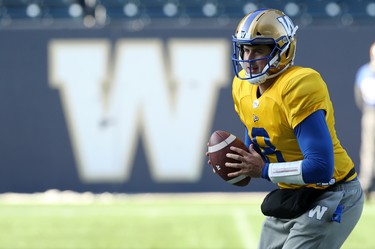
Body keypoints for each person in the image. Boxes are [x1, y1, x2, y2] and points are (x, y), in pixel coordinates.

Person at [207, 8, 364, 248]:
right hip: (293, 194)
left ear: (283, 50)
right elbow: (257, 151)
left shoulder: (299, 85)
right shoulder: (242, 87)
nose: (248, 58)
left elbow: (321, 168)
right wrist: (237, 163)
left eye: (258, 50)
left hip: (332, 191)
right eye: (245, 49)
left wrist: (263, 170)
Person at [354, 42, 375, 199]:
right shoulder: (364, 72)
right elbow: (359, 95)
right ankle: (366, 184)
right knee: (368, 149)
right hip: (371, 113)